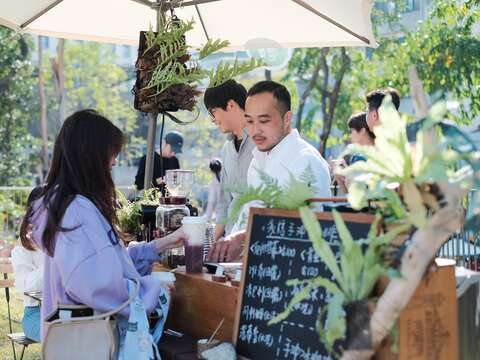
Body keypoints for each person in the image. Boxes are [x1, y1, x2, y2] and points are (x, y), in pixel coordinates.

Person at [22, 109, 188, 343]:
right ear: (91, 157)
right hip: (89, 343)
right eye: (111, 156)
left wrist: (159, 245)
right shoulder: (77, 212)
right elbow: (96, 286)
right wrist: (151, 289)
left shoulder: (68, 206)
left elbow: (105, 262)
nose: (114, 162)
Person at [208, 81, 331, 262]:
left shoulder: (306, 161)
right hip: (244, 269)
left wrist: (241, 238)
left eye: (264, 121)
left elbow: (310, 228)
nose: (255, 130)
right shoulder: (258, 160)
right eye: (249, 121)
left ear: (287, 118)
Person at [203, 79, 255, 240]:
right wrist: (213, 245)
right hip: (231, 240)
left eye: (213, 111)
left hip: (255, 239)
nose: (213, 119)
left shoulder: (261, 143)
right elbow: (225, 201)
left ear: (231, 105)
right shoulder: (227, 149)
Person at [11, 186, 45, 342]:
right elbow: (24, 286)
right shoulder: (22, 248)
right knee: (61, 336)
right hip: (35, 313)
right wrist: (53, 261)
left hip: (67, 310)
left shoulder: (64, 238)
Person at [333, 112, 375, 194]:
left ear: (363, 130)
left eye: (352, 131)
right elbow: (350, 193)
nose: (350, 135)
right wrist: (340, 178)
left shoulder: (373, 156)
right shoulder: (356, 156)